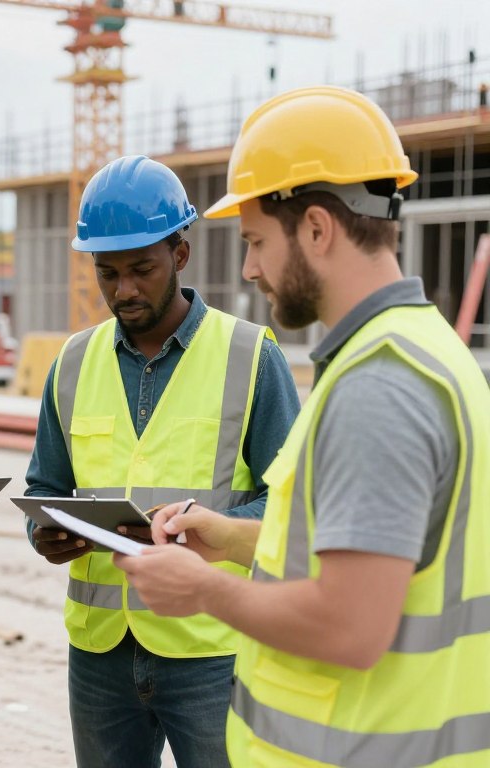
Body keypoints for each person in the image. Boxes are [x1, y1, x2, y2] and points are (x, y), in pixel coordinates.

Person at [115, 85, 490, 768]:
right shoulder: (425, 350)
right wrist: (233, 539)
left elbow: (350, 626)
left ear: (317, 229)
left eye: (257, 241)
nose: (250, 267)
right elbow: (375, 550)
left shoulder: (378, 387)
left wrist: (204, 590)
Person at [23, 155, 300, 768]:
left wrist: (209, 527)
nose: (123, 290)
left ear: (180, 254)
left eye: (141, 270)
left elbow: (291, 506)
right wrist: (47, 533)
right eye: (107, 273)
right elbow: (44, 487)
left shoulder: (250, 356)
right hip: (100, 653)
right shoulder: (71, 364)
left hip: (212, 648)